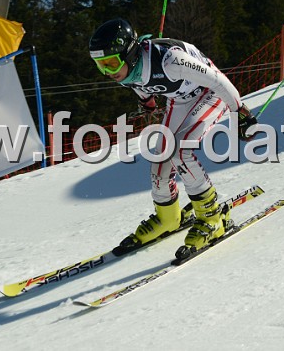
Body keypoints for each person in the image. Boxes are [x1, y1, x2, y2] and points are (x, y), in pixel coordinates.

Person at [88, 18, 257, 258]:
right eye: (100, 65)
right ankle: (168, 218)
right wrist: (147, 100)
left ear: (129, 53)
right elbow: (138, 82)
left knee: (181, 151)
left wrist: (240, 112)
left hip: (211, 93)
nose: (108, 72)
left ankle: (212, 219)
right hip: (180, 99)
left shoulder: (171, 61)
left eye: (111, 63)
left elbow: (217, 80)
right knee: (161, 157)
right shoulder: (127, 70)